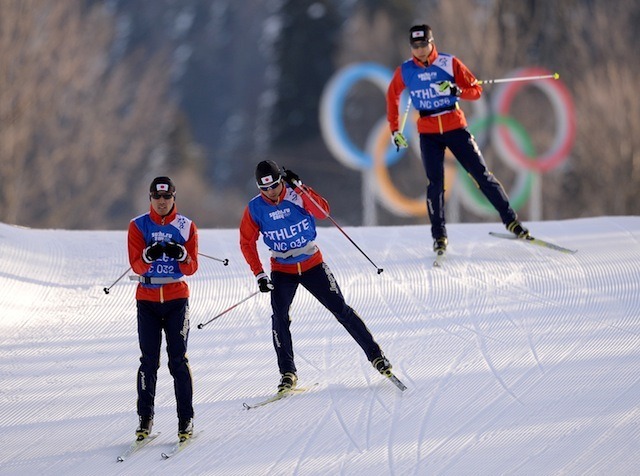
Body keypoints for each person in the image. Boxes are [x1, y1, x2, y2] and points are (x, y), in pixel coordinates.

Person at [239, 160, 392, 393]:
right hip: (282, 268)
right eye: (264, 189)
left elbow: (323, 212)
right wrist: (259, 273)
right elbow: (246, 242)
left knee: (341, 309)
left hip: (311, 263)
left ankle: (377, 357)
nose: (270, 193)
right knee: (279, 317)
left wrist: (301, 188)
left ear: (281, 180)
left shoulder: (296, 194)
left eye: (274, 186)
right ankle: (287, 373)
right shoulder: (255, 208)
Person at [387, 24, 530, 254]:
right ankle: (439, 237)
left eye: (423, 45)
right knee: (435, 185)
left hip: (455, 126)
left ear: (432, 42)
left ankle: (511, 221)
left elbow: (475, 90)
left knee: (481, 175)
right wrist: (396, 130)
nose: (420, 51)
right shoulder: (405, 71)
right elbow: (392, 96)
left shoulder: (448, 63)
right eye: (415, 47)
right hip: (428, 132)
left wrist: (456, 90)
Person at [127, 176, 198, 441]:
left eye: (166, 197)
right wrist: (148, 256)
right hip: (146, 299)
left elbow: (191, 268)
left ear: (173, 198)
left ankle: (185, 419)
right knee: (148, 361)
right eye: (157, 197)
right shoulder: (138, 225)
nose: (161, 202)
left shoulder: (186, 225)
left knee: (178, 360)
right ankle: (145, 419)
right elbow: (136, 265)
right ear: (150, 199)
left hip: (176, 298)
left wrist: (181, 255)